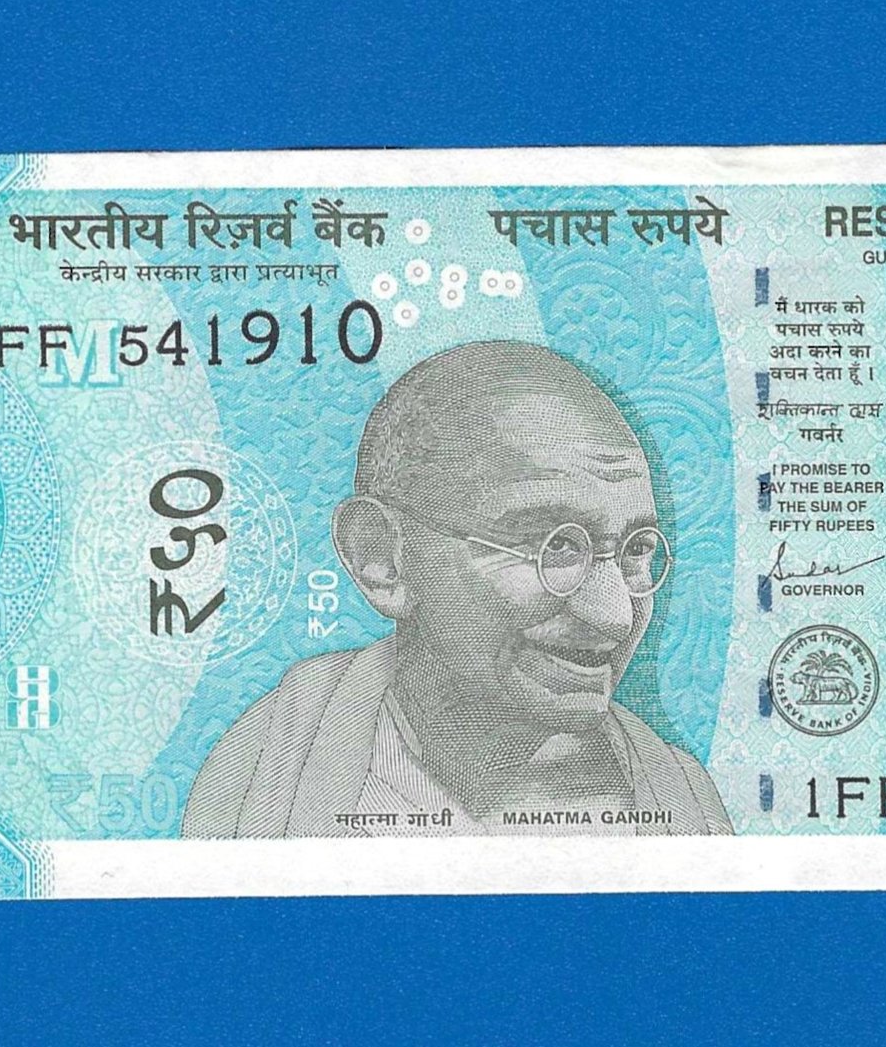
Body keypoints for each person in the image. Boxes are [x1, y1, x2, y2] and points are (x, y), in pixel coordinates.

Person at [182, 340, 732, 838]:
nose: (614, 615)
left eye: (636, 550)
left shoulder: (681, 802)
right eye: (554, 545)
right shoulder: (264, 770)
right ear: (383, 559)